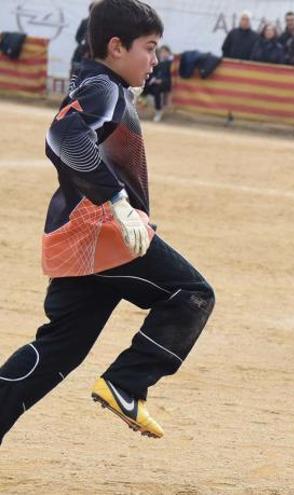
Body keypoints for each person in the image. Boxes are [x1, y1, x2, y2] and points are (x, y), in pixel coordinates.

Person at [0, 0, 215, 444]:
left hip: (79, 236)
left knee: (60, 348)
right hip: (103, 232)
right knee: (192, 294)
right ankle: (127, 384)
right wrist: (118, 203)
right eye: (150, 47)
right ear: (116, 47)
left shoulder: (96, 82)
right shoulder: (104, 87)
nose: (156, 59)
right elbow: (61, 135)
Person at [143, 44, 172, 121]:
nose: (163, 54)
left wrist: (162, 80)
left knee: (156, 90)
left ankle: (158, 111)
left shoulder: (170, 63)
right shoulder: (157, 61)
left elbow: (170, 76)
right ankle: (143, 105)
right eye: (162, 52)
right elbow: (152, 72)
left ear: (169, 53)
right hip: (154, 81)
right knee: (144, 86)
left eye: (165, 52)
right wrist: (153, 79)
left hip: (165, 83)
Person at [69, 2, 97, 82]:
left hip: (93, 55)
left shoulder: (100, 23)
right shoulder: (85, 22)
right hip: (81, 53)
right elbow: (77, 37)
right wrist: (83, 44)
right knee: (76, 73)